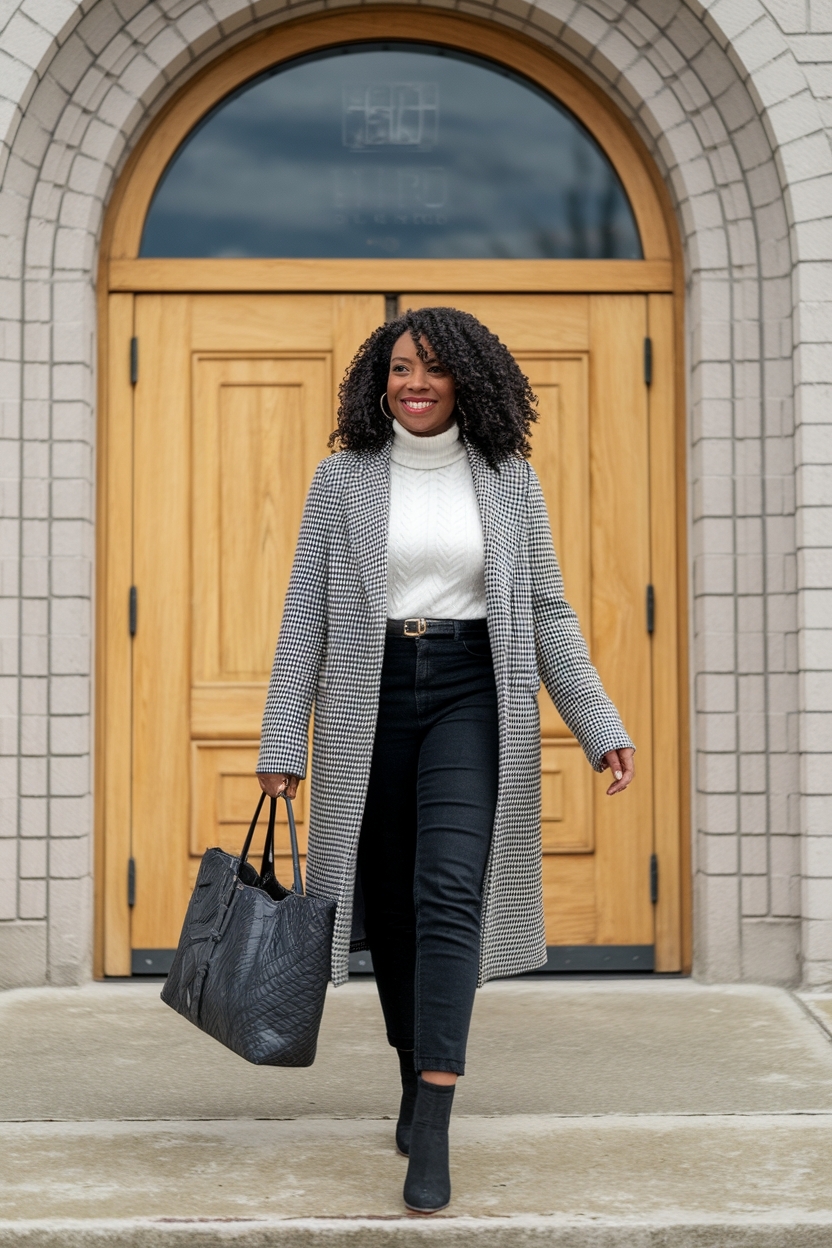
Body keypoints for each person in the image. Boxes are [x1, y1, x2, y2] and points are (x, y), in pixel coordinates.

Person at [257, 307, 634, 1214]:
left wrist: (598, 721)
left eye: (430, 367)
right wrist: (281, 740)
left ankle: (434, 1110)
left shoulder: (507, 479)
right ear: (376, 384)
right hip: (367, 696)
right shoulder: (341, 479)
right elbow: (305, 609)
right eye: (398, 369)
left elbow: (546, 612)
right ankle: (405, 1067)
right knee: (387, 903)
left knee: (448, 892)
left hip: (472, 689)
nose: (413, 383)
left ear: (466, 376)